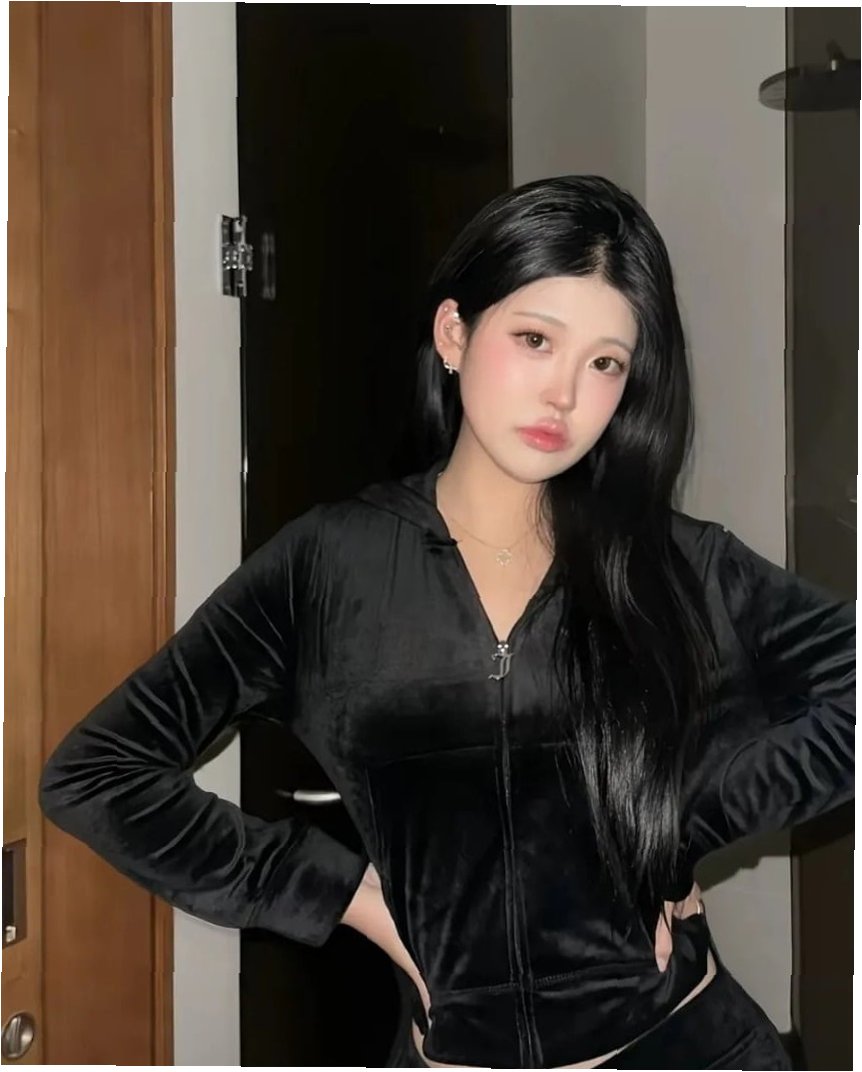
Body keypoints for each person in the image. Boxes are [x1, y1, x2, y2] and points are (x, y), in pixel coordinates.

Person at [40, 175, 854, 1070]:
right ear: (455, 334)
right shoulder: (328, 566)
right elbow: (98, 774)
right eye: (536, 340)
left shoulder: (674, 562)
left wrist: (679, 823)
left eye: (606, 364)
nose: (564, 395)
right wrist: (346, 895)